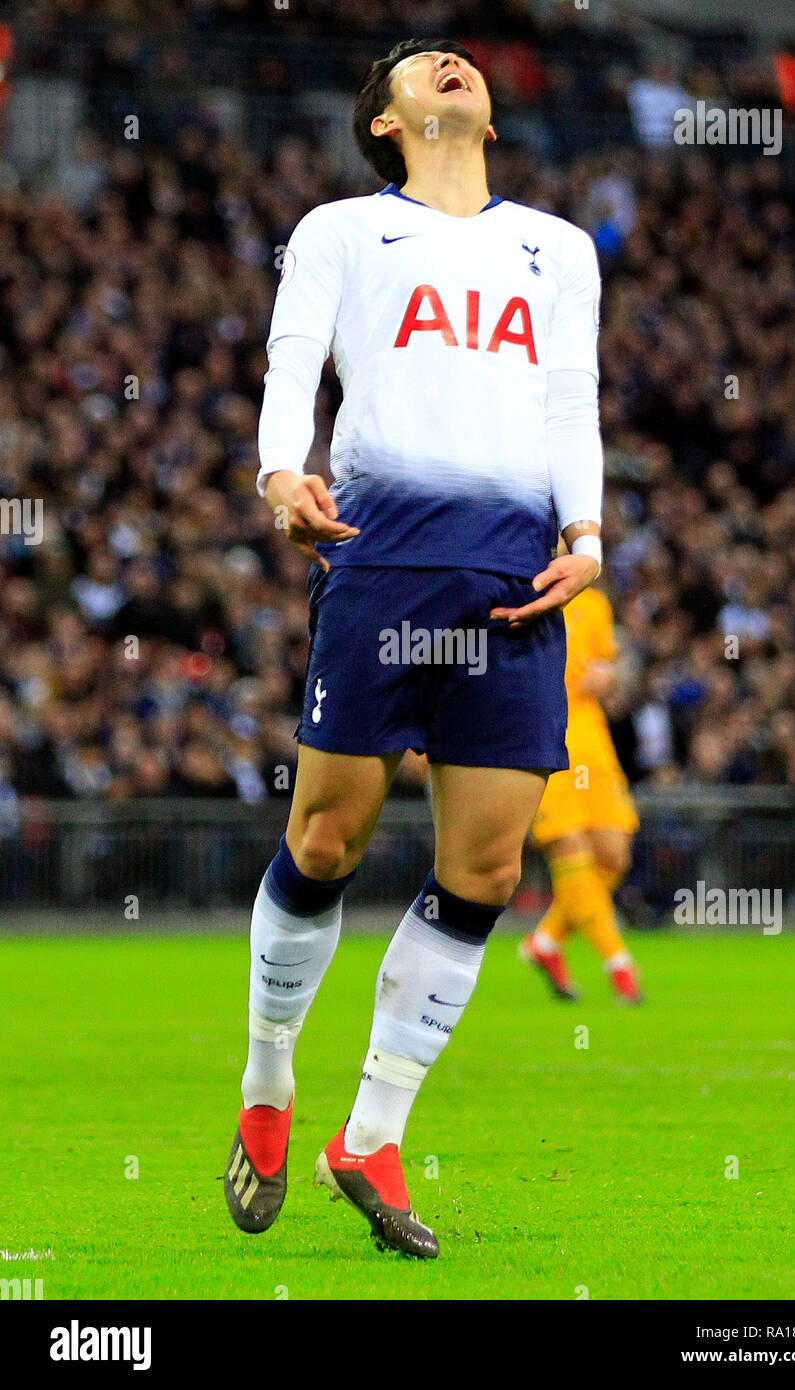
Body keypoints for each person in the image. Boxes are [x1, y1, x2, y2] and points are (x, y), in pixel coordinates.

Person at [223, 38, 604, 1259]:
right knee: (325, 834)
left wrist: (587, 530)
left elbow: (568, 398)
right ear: (384, 121)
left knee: (488, 868)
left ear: (487, 112)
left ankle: (371, 1135)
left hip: (515, 575)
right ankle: (269, 1081)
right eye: (414, 64)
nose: (445, 62)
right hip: (381, 556)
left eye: (457, 58)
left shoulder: (558, 247)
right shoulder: (339, 230)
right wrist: (282, 467)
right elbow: (293, 362)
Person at [520, 582, 643, 1004]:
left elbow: (609, 666)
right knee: (568, 845)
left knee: (613, 856)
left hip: (591, 740)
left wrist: (608, 675)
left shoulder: (594, 605)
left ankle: (546, 941)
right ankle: (618, 962)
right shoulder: (517, 593)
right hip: (540, 735)